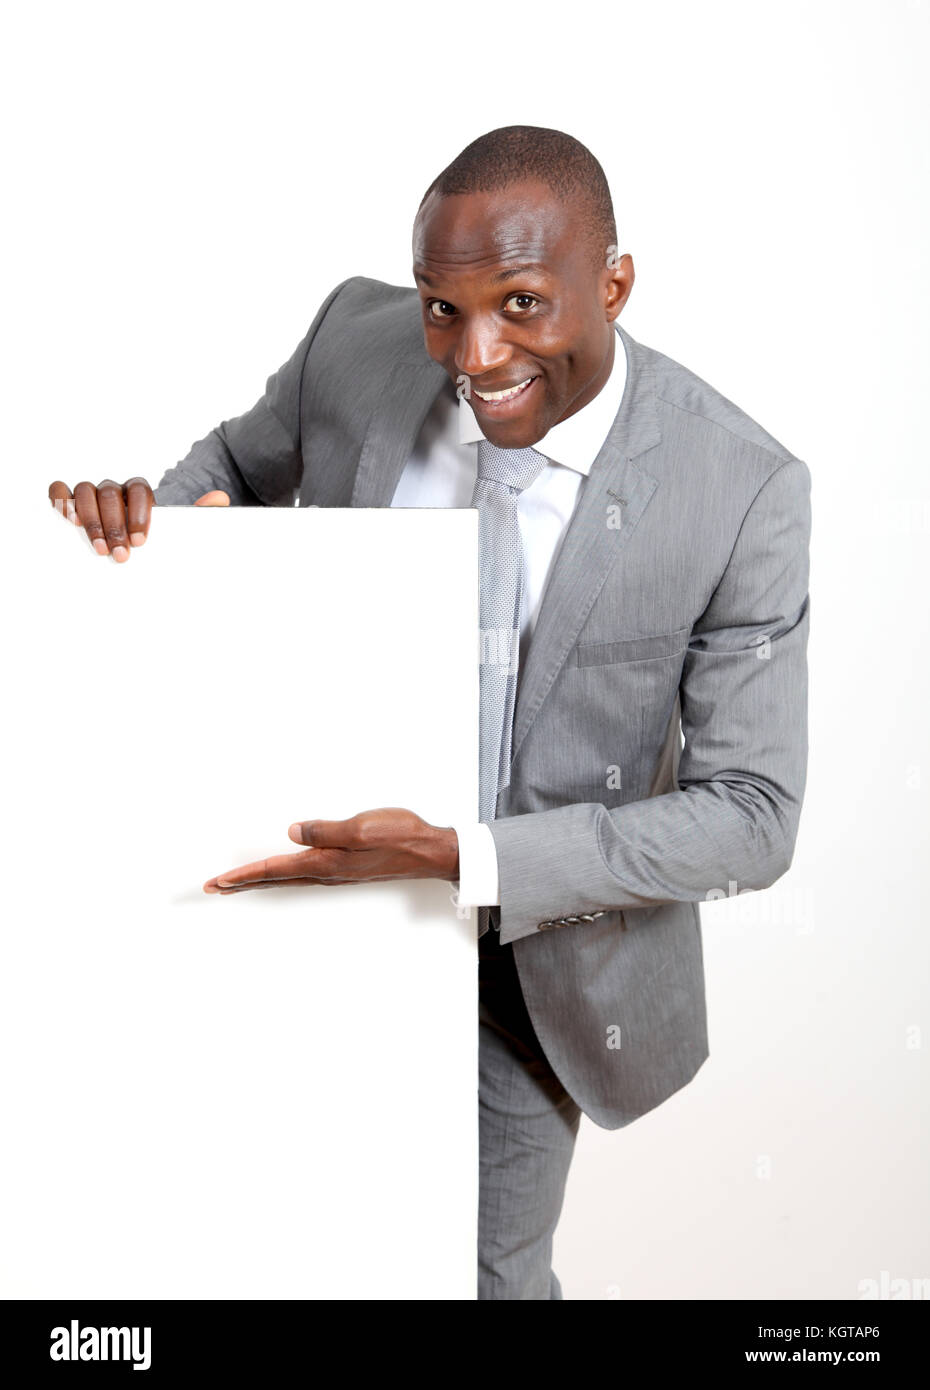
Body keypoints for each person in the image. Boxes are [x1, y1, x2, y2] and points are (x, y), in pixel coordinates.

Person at [49, 125, 811, 1301]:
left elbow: (755, 817)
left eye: (519, 303)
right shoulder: (350, 343)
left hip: (531, 968)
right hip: (296, 900)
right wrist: (146, 518)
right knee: (244, 1248)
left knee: (484, 1284)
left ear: (612, 282)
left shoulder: (742, 488)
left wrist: (470, 858)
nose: (475, 352)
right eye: (441, 309)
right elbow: (236, 473)